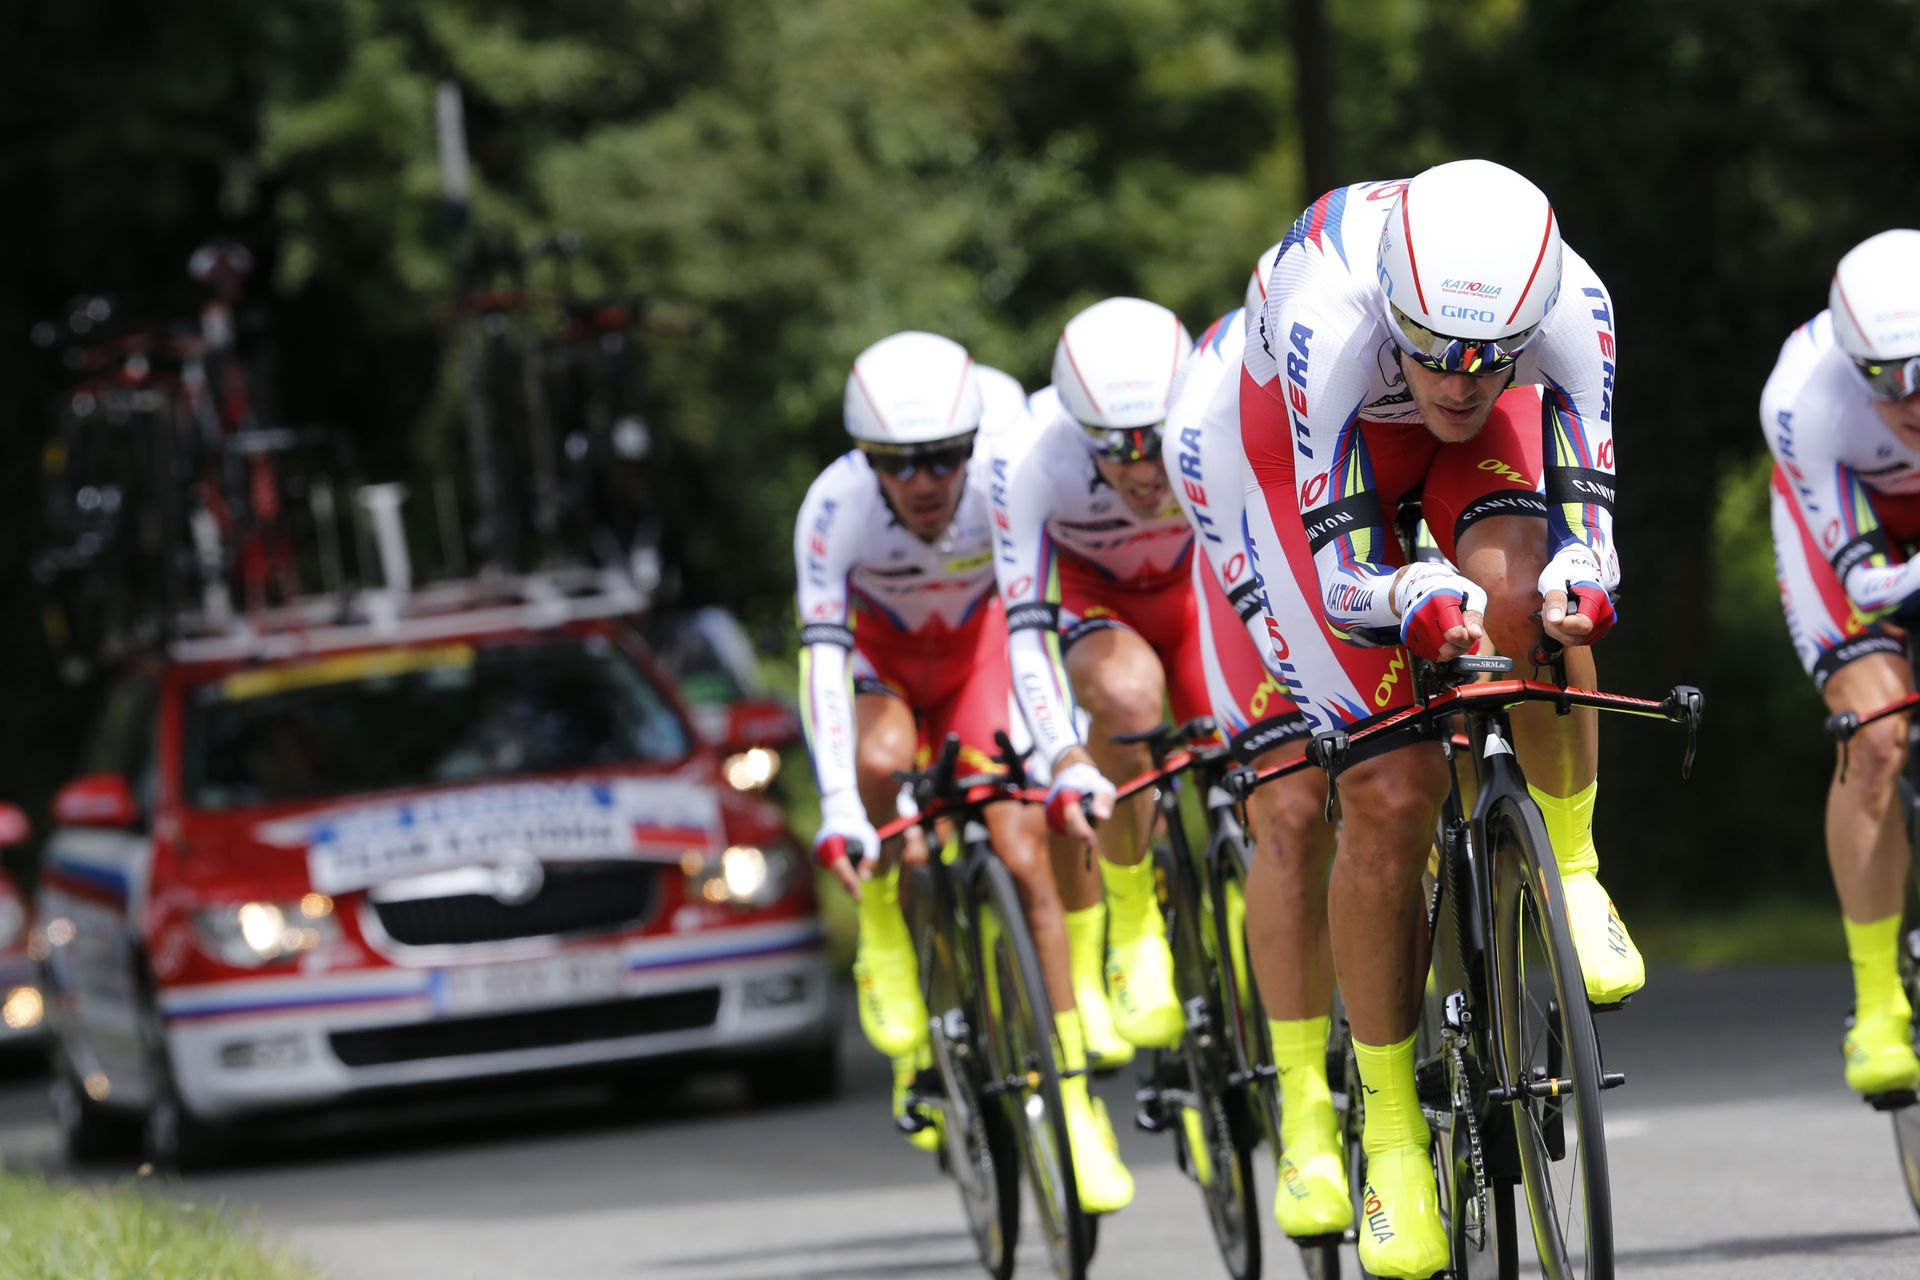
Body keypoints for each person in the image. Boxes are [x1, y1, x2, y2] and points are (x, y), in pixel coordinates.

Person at [1231, 160, 1626, 1278]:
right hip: (1314, 443)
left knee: (1527, 597)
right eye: (1435, 348)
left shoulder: (1575, 305)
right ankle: (1393, 1133)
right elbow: (1348, 575)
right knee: (1389, 791)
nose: (1458, 381)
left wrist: (1581, 581)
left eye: (1486, 356)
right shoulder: (1327, 317)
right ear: (1392, 311)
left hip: (1453, 436)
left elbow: (1595, 520)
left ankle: (1573, 867)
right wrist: (1409, 590)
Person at [793, 331, 1133, 1211]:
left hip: (981, 658)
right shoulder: (833, 510)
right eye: (898, 463)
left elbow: (1032, 627)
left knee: (1023, 847)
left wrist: (1055, 753)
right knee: (879, 764)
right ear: (866, 460)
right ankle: (882, 922)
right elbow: (824, 663)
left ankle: (1072, 1098)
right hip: (882, 666)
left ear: (971, 447)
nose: (924, 481)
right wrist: (840, 806)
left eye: (943, 456)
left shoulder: (1002, 483)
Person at [1168, 295, 1349, 1238]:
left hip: (1367, 523)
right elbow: (1264, 603)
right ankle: (1306, 1103)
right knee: (1289, 801)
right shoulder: (1206, 411)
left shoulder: (1396, 352)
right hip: (1255, 557)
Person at [992, 296, 1212, 1069]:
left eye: (1157, 444)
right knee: (1125, 697)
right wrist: (1061, 755)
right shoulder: (1026, 456)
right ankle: (1132, 921)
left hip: (1198, 596)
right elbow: (1021, 630)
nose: (1147, 470)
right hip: (1099, 604)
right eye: (1118, 452)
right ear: (1079, 432)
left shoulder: (1214, 415)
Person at [1761, 229, 1920, 1100]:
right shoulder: (1802, 398)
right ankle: (1878, 1003)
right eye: (1885, 377)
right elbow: (1869, 582)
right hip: (1858, 539)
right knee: (1876, 740)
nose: (1911, 398)